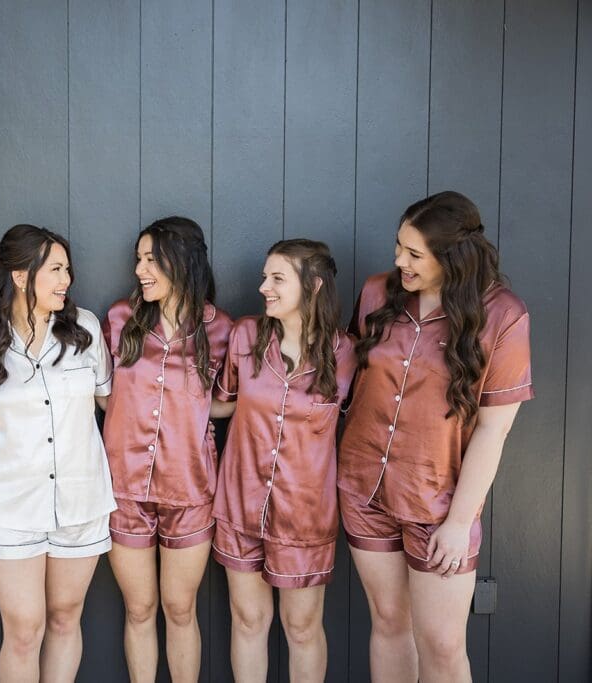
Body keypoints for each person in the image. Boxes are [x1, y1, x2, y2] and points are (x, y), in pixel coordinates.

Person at [339, 191, 533, 682]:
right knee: (388, 623)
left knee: (443, 646)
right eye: (398, 247)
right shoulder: (376, 293)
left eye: (414, 254)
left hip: (438, 504)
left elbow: (494, 428)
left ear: (453, 257)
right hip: (364, 490)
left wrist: (459, 522)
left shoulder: (503, 315)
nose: (399, 261)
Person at [0, 224, 115, 682]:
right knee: (24, 632)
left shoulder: (85, 328)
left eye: (67, 270)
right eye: (56, 269)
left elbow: (111, 402)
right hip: (13, 506)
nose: (66, 280)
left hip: (81, 500)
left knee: (65, 618)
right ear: (21, 275)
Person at [211, 239, 355, 682]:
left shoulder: (345, 352)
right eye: (264, 277)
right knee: (248, 621)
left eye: (277, 278)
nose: (263, 287)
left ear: (314, 285)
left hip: (304, 516)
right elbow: (221, 404)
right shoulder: (245, 336)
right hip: (240, 505)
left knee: (302, 627)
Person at [101, 216, 232, 682]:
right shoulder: (121, 318)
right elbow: (105, 393)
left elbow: (226, 401)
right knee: (139, 609)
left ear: (183, 261)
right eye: (138, 259)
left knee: (180, 608)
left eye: (151, 259)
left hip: (189, 487)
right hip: (125, 488)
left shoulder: (221, 329)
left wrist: (191, 416)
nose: (140, 269)